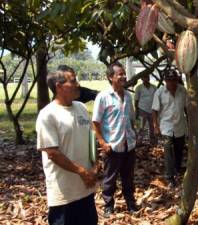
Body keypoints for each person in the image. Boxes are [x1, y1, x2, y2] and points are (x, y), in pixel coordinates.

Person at [36, 69, 97, 225]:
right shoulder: (48, 115)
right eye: (73, 81)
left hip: (86, 188)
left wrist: (95, 165)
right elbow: (52, 153)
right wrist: (81, 172)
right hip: (64, 194)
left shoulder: (81, 108)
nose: (78, 84)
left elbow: (90, 138)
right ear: (59, 86)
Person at [92, 62, 138, 217]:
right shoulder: (103, 97)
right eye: (120, 74)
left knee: (128, 178)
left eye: (124, 73)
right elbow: (96, 122)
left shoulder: (128, 96)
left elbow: (131, 119)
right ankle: (108, 205)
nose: (124, 76)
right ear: (110, 77)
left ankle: (131, 204)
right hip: (112, 146)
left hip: (128, 144)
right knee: (110, 179)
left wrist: (133, 135)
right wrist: (102, 143)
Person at [152, 69, 188, 187]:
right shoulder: (160, 92)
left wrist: (190, 123)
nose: (172, 83)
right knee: (168, 150)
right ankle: (169, 176)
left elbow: (187, 108)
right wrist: (155, 126)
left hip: (180, 126)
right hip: (166, 126)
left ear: (177, 80)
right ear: (165, 81)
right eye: (169, 81)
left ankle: (177, 170)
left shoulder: (182, 91)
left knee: (179, 150)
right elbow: (155, 110)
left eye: (174, 80)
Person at [134, 74, 157, 145]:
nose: (146, 78)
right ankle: (139, 141)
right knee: (140, 127)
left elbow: (156, 99)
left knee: (152, 126)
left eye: (147, 77)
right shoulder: (139, 88)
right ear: (142, 79)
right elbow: (136, 100)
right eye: (144, 77)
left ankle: (152, 141)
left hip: (152, 109)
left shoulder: (154, 87)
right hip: (142, 109)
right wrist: (137, 111)